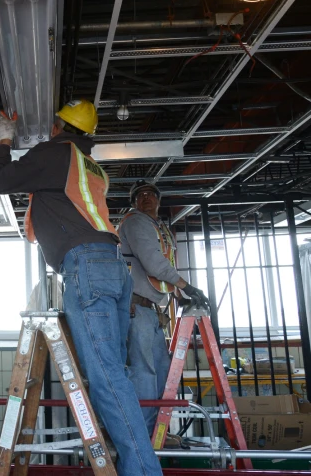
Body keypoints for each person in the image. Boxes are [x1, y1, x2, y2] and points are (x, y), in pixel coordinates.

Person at [0, 100, 163, 475]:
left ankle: (144, 472)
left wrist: (5, 140)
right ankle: (126, 455)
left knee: (106, 376)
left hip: (88, 267)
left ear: (57, 126)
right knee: (114, 371)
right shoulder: (91, 164)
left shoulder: (55, 153)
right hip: (112, 268)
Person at [119, 180, 209, 438]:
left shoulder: (158, 228)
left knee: (159, 370)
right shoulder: (135, 222)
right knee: (145, 371)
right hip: (136, 309)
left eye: (150, 194)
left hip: (150, 310)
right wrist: (186, 286)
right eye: (140, 196)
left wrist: (178, 294)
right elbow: (153, 262)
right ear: (134, 203)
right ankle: (144, 435)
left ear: (158, 200)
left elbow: (165, 264)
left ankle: (157, 432)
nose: (145, 198)